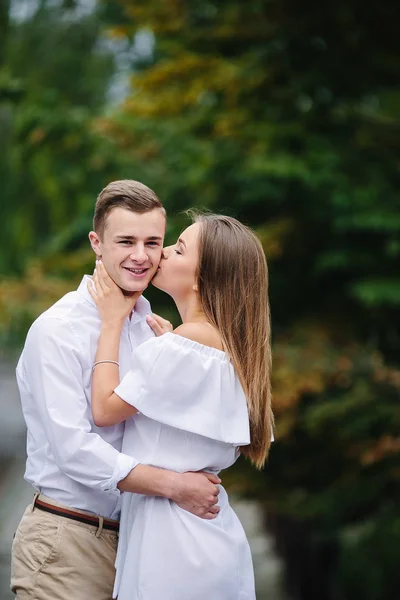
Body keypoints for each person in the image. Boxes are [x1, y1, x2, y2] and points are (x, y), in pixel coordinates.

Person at [11, 181, 221, 600]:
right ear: (97, 243)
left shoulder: (152, 328)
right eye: (126, 241)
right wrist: (176, 486)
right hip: (67, 543)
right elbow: (75, 450)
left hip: (142, 544)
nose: (141, 256)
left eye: (153, 242)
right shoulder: (57, 330)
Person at [88, 212, 274, 600]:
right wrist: (171, 344)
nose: (164, 253)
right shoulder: (222, 347)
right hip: (202, 539)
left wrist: (111, 322)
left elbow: (104, 410)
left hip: (175, 548)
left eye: (179, 248)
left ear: (202, 276)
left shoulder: (187, 345)